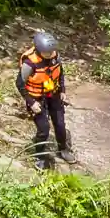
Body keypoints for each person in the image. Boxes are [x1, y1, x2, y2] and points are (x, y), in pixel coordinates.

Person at [16, 30, 75, 167]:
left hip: (53, 94)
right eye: (46, 53)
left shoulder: (54, 56)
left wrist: (62, 90)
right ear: (38, 50)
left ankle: (63, 149)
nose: (50, 55)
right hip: (36, 98)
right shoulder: (30, 63)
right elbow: (19, 83)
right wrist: (31, 102)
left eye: (51, 52)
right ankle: (39, 156)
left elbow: (60, 73)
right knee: (44, 128)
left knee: (60, 124)